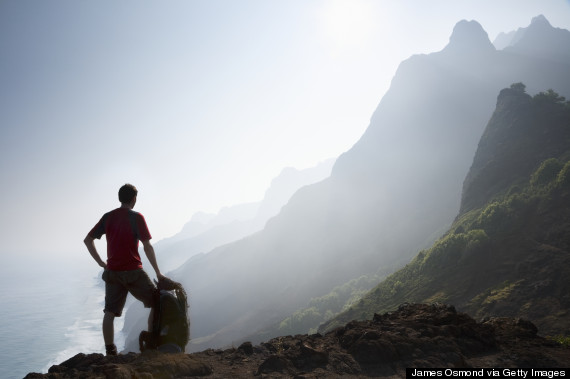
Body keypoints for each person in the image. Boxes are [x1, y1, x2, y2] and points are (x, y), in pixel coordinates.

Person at [84, 183, 165, 356]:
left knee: (110, 312)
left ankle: (110, 351)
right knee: (157, 303)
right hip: (134, 272)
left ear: (120, 198)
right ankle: (151, 345)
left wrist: (101, 263)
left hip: (112, 273)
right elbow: (147, 247)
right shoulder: (137, 217)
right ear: (134, 199)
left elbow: (88, 240)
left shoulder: (107, 217)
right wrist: (158, 272)